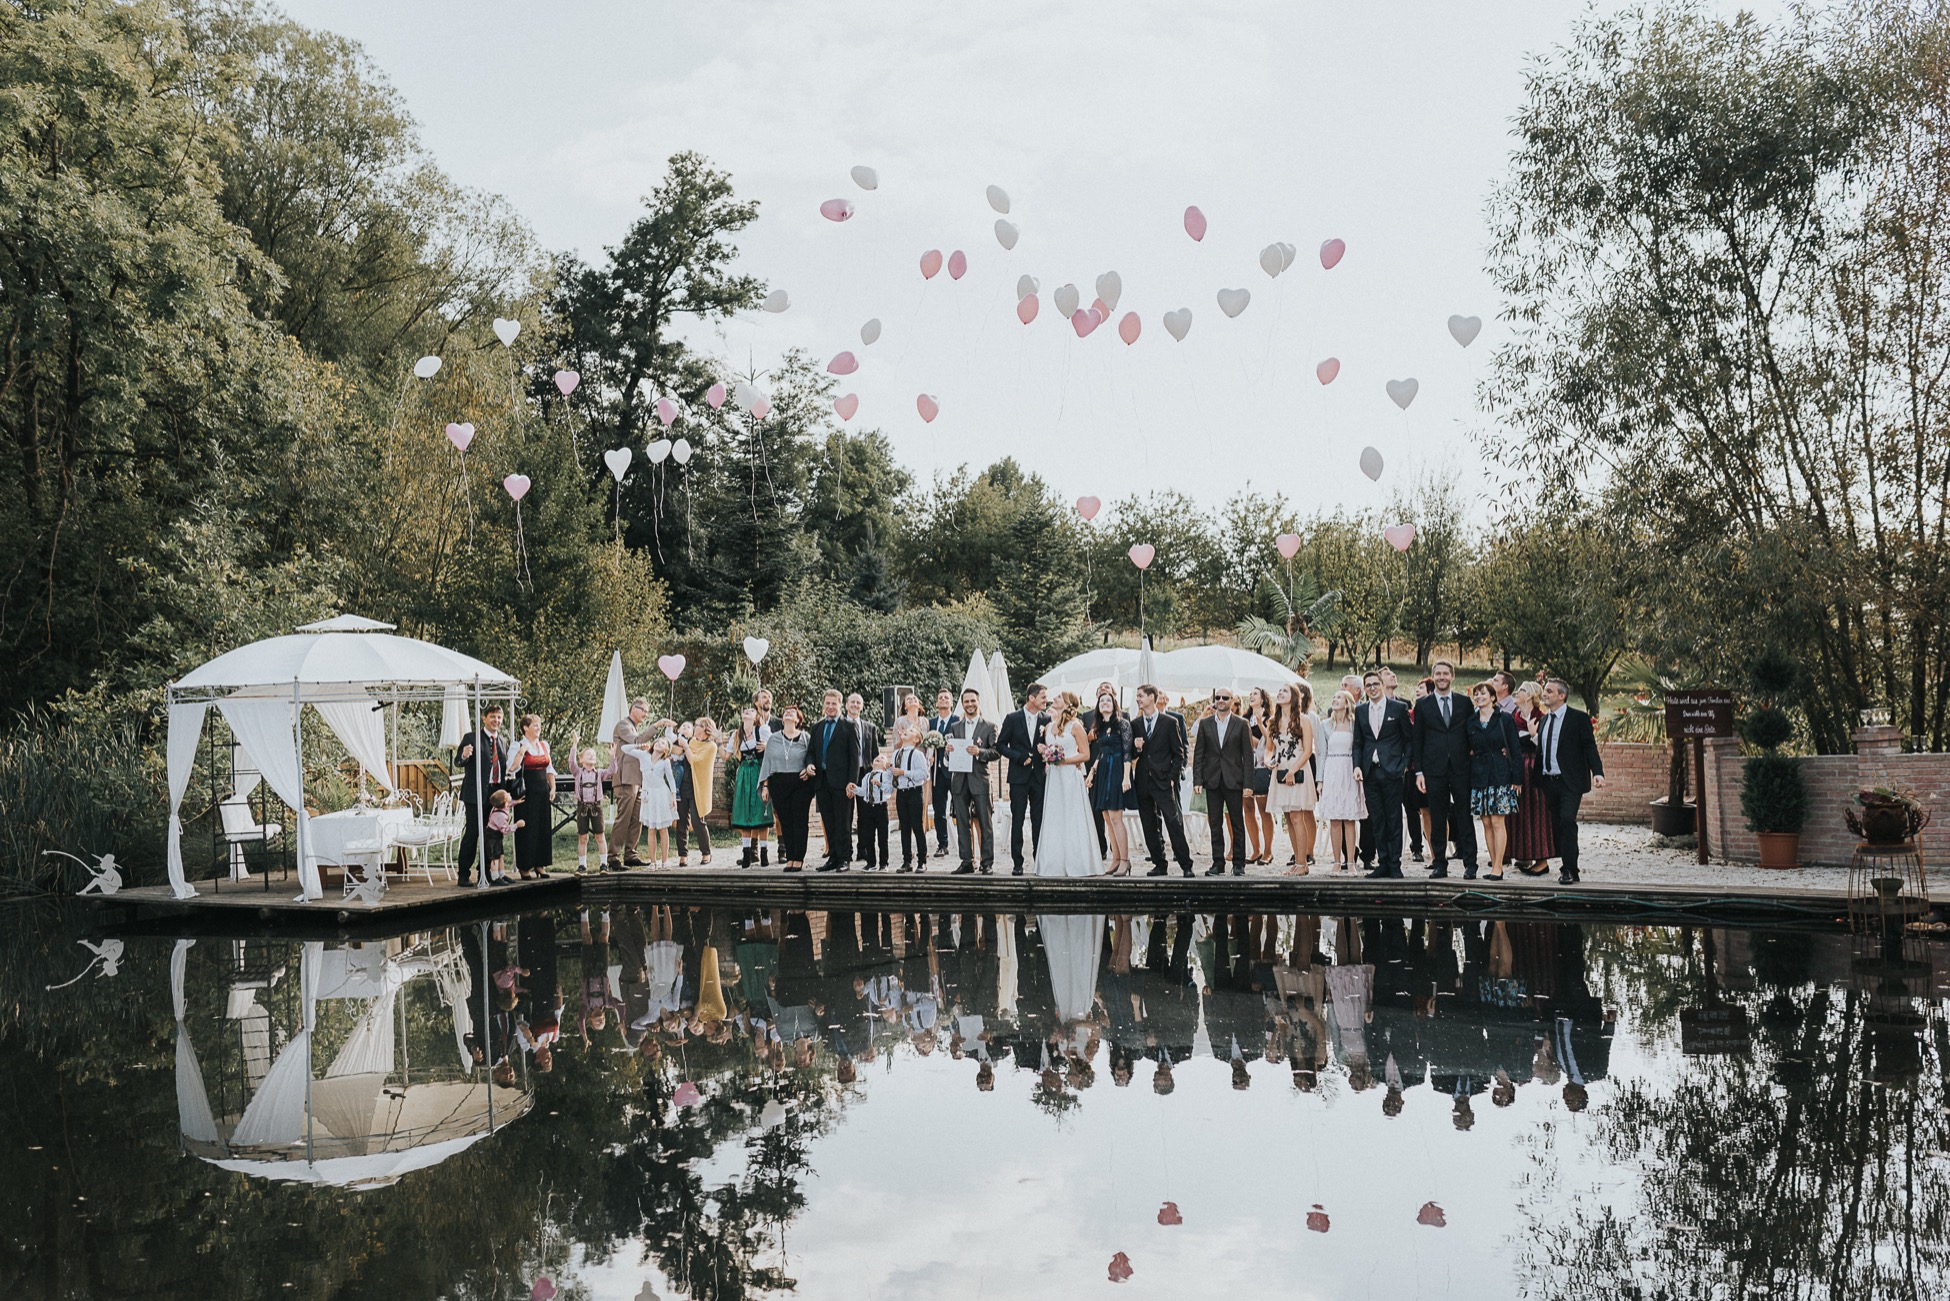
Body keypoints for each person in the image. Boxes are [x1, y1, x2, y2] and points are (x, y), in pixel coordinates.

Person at [1411, 660, 1479, 880]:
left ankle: (1471, 864)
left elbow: (1472, 732)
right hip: (1433, 769)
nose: (1441, 677)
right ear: (1433, 676)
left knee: (1464, 816)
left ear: (1452, 676)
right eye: (1437, 673)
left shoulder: (1464, 702)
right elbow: (1417, 740)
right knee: (1438, 818)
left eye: (1445, 673)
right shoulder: (1423, 705)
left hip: (1461, 768)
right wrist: (1419, 772)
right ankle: (1440, 863)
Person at [1535, 677, 1605, 884]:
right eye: (1544, 690)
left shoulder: (1578, 718)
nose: (1545, 694)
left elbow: (1589, 747)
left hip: (1570, 782)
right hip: (1549, 781)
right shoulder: (1544, 720)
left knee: (1567, 820)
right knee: (1557, 825)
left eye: (1549, 691)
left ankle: (1569, 869)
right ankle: (1568, 865)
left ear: (1561, 695)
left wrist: (1598, 772)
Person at [1033, 691, 1101, 877]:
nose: (1054, 698)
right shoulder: (1048, 727)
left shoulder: (1076, 726)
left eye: (1058, 697)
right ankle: (1054, 864)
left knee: (1072, 816)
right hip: (1054, 777)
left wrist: (1064, 761)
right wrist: (1044, 751)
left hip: (1070, 776)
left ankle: (1077, 863)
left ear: (1067, 703)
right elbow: (1049, 753)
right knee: (1054, 817)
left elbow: (1085, 755)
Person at [1354, 671, 1413, 880]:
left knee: (1394, 818)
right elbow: (1358, 743)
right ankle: (1383, 862)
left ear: (1382, 685)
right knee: (1377, 820)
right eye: (1368, 685)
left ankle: (1395, 864)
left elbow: (1409, 740)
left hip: (1393, 771)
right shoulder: (1360, 711)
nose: (1372, 688)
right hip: (1370, 772)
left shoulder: (1398, 708)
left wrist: (1404, 765)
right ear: (1364, 688)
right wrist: (1357, 766)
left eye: (1375, 684)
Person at [1132, 684, 1195, 877]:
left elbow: (1179, 753)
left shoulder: (1169, 722)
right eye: (1137, 696)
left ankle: (1186, 864)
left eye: (1141, 696)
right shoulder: (1135, 724)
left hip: (1164, 781)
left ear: (1152, 697)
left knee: (1173, 822)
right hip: (1143, 781)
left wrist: (1172, 778)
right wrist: (1137, 748)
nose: (1138, 699)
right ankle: (1160, 864)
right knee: (1149, 824)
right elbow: (1131, 754)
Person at [1467, 682, 1525, 880]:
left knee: (1497, 820)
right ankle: (1493, 862)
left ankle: (1498, 867)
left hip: (1500, 773)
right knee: (1486, 822)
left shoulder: (1504, 719)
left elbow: (1515, 749)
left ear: (1492, 697)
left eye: (1483, 693)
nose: (1479, 697)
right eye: (1476, 694)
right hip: (1479, 774)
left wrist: (1517, 778)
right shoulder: (1471, 721)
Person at [1194, 689, 1254, 876]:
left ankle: (1238, 863)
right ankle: (1217, 863)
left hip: (1234, 780)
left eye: (1224, 698)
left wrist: (1248, 784)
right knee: (1215, 823)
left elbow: (1248, 756)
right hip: (1212, 780)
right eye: (1217, 698)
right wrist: (1198, 780)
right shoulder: (1205, 724)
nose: (1220, 700)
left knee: (1237, 822)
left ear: (1232, 701)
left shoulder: (1242, 724)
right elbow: (1199, 754)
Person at [996, 683, 1051, 875]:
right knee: (1017, 820)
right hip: (1018, 777)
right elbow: (1000, 745)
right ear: (1031, 698)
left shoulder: (1047, 719)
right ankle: (1017, 863)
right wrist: (1019, 757)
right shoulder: (1012, 718)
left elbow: (1051, 744)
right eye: (1043, 697)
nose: (1046, 700)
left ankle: (1039, 860)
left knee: (1039, 820)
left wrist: (1048, 753)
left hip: (1039, 777)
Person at [945, 688, 999, 873]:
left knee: (985, 822)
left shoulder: (989, 726)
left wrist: (980, 752)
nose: (969, 704)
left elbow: (996, 752)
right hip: (959, 780)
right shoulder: (955, 727)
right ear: (962, 704)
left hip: (980, 779)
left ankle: (987, 863)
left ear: (978, 702)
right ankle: (967, 861)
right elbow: (949, 755)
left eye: (972, 701)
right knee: (962, 822)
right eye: (966, 701)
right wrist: (949, 751)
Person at [1265, 683, 1317, 875]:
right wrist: (1268, 761)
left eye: (1284, 691)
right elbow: (1269, 749)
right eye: (1278, 691)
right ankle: (1297, 861)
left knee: (1297, 816)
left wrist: (1293, 771)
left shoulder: (1303, 720)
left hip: (1299, 769)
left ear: (1294, 697)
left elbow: (1308, 749)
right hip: (1280, 769)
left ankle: (1303, 864)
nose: (1280, 693)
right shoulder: (1273, 721)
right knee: (1288, 817)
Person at [456, 703, 509, 887]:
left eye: (499, 717)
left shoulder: (501, 741)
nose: (496, 720)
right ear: (484, 718)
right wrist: (464, 755)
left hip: (495, 795)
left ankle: (486, 873)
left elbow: (502, 768)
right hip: (475, 794)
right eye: (492, 717)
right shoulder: (472, 738)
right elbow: (458, 762)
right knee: (473, 833)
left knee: (492, 834)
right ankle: (463, 874)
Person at [807, 690, 860, 871]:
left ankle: (845, 859)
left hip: (842, 783)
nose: (830, 707)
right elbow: (811, 753)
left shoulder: (849, 726)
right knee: (829, 822)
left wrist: (852, 783)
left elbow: (855, 758)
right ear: (824, 705)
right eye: (827, 703)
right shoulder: (817, 727)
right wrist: (809, 765)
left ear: (840, 705)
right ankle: (833, 857)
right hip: (822, 782)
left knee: (843, 822)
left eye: (834, 704)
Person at [1508, 681, 1557, 875]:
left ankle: (1542, 860)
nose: (1516, 694)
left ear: (1528, 696)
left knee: (1537, 814)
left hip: (1535, 770)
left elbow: (1549, 749)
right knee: (1519, 814)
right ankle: (1523, 854)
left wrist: (1534, 734)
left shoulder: (1542, 719)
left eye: (1519, 691)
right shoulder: (1514, 718)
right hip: (1517, 769)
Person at [1085, 688, 1135, 876]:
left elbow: (1127, 752)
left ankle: (1125, 860)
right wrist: (1092, 772)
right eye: (1101, 700)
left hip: (1117, 771)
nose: (1104, 702)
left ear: (1114, 705)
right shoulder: (1099, 727)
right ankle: (1115, 859)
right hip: (1103, 770)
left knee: (1116, 817)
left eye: (1108, 700)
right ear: (1098, 706)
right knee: (1107, 817)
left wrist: (1125, 777)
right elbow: (1101, 753)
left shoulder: (1122, 724)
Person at [1316, 691, 1368, 872]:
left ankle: (1351, 862)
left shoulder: (1355, 725)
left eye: (1339, 697)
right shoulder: (1325, 725)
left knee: (1350, 818)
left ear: (1347, 703)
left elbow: (1360, 747)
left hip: (1349, 769)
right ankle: (1337, 861)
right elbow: (1321, 754)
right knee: (1335, 819)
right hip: (1332, 769)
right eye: (1334, 696)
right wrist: (1320, 780)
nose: (1334, 699)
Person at [758, 705, 813, 870]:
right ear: (782, 719)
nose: (789, 713)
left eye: (793, 712)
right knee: (786, 821)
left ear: (798, 719)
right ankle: (790, 857)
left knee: (800, 821)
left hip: (801, 783)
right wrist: (765, 786)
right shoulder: (774, 739)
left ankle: (799, 858)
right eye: (786, 712)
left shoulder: (805, 737)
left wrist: (808, 768)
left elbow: (812, 757)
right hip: (779, 783)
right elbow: (767, 763)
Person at [504, 713, 556, 880]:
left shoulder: (544, 745)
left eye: (539, 725)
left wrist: (552, 787)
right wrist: (521, 752)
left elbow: (549, 769)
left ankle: (540, 865)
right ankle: (525, 866)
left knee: (542, 828)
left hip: (542, 791)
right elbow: (511, 767)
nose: (538, 728)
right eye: (535, 725)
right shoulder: (518, 745)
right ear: (525, 728)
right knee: (527, 829)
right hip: (527, 793)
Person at [622, 737, 679, 869]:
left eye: (663, 743)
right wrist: (640, 745)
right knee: (651, 829)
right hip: (649, 795)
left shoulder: (665, 762)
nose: (659, 743)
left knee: (663, 829)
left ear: (666, 749)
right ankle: (653, 862)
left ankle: (665, 861)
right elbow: (624, 749)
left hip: (661, 794)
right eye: (658, 741)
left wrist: (673, 796)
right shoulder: (643, 755)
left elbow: (670, 779)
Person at [607, 699, 650, 870]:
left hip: (637, 780)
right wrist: (658, 725)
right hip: (625, 780)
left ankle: (631, 854)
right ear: (634, 708)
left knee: (637, 818)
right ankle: (613, 857)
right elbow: (637, 740)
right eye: (644, 711)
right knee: (623, 818)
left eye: (647, 712)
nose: (646, 715)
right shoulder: (623, 725)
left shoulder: (633, 726)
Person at [729, 706, 773, 867]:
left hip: (759, 773)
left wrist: (768, 746)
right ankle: (746, 854)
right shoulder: (737, 735)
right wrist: (718, 740)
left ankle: (764, 853)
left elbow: (772, 752)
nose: (747, 711)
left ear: (755, 717)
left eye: (751, 710)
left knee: (761, 811)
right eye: (745, 710)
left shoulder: (761, 731)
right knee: (744, 812)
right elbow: (726, 755)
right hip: (743, 775)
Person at [846, 692, 884, 867]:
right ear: (847, 705)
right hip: (847, 774)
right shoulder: (842, 725)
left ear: (862, 706)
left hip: (866, 774)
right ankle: (846, 851)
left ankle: (864, 850)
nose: (855, 705)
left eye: (858, 703)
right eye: (852, 702)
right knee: (846, 814)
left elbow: (875, 752)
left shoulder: (870, 727)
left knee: (865, 815)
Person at [675, 718, 719, 866]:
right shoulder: (692, 741)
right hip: (683, 786)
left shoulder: (711, 747)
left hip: (698, 788)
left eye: (697, 725)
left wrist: (686, 747)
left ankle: (706, 852)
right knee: (681, 821)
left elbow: (695, 761)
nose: (694, 727)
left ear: (705, 728)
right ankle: (683, 854)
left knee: (697, 821)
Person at [890, 722, 931, 871]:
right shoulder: (895, 754)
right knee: (904, 827)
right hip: (901, 793)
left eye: (912, 730)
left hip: (914, 792)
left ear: (916, 740)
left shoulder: (918, 754)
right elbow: (891, 775)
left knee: (917, 826)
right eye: (907, 729)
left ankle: (922, 860)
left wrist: (904, 773)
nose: (907, 731)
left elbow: (923, 774)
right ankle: (907, 860)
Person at [1242, 687, 1276, 866]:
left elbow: (1270, 741)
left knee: (1264, 809)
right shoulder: (1243, 719)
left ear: (1263, 699)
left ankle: (1268, 850)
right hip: (1245, 766)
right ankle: (1255, 849)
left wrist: (1260, 725)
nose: (1251, 696)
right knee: (1248, 809)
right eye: (1250, 694)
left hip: (1262, 765)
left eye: (1255, 694)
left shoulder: (1270, 719)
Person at [1403, 677, 1433, 863]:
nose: (1417, 690)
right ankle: (1425, 851)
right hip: (1415, 768)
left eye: (1421, 687)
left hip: (1434, 767)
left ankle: (1438, 852)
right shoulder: (1410, 714)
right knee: (1419, 809)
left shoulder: (1435, 712)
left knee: (1436, 811)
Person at [925, 690, 957, 858]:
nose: (943, 700)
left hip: (953, 771)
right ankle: (942, 844)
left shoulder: (957, 720)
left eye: (947, 698)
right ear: (936, 703)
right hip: (937, 771)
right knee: (938, 810)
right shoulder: (931, 723)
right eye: (940, 698)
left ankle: (964, 843)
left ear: (951, 702)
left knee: (960, 807)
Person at [571, 747, 605, 873]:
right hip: (582, 807)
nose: (591, 756)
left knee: (600, 835)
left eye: (593, 754)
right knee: (583, 837)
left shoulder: (600, 773)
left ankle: (603, 863)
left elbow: (613, 770)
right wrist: (574, 745)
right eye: (588, 754)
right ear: (581, 759)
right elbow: (571, 763)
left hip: (597, 806)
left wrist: (613, 756)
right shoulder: (577, 772)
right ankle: (582, 865)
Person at [857, 754, 893, 870]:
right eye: (877, 758)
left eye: (882, 758)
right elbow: (863, 791)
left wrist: (880, 784)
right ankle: (871, 862)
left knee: (883, 837)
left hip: (880, 808)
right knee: (869, 837)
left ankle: (883, 863)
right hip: (868, 808)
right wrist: (854, 789)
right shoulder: (866, 776)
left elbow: (889, 790)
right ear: (872, 764)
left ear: (884, 766)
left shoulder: (885, 775)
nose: (878, 758)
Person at [484, 789, 518, 886]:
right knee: (495, 857)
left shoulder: (498, 807)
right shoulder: (499, 816)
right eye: (507, 796)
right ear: (505, 803)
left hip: (497, 836)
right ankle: (494, 877)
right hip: (492, 836)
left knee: (501, 856)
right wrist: (516, 825)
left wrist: (516, 802)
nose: (509, 794)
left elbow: (509, 804)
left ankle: (502, 874)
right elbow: (505, 830)